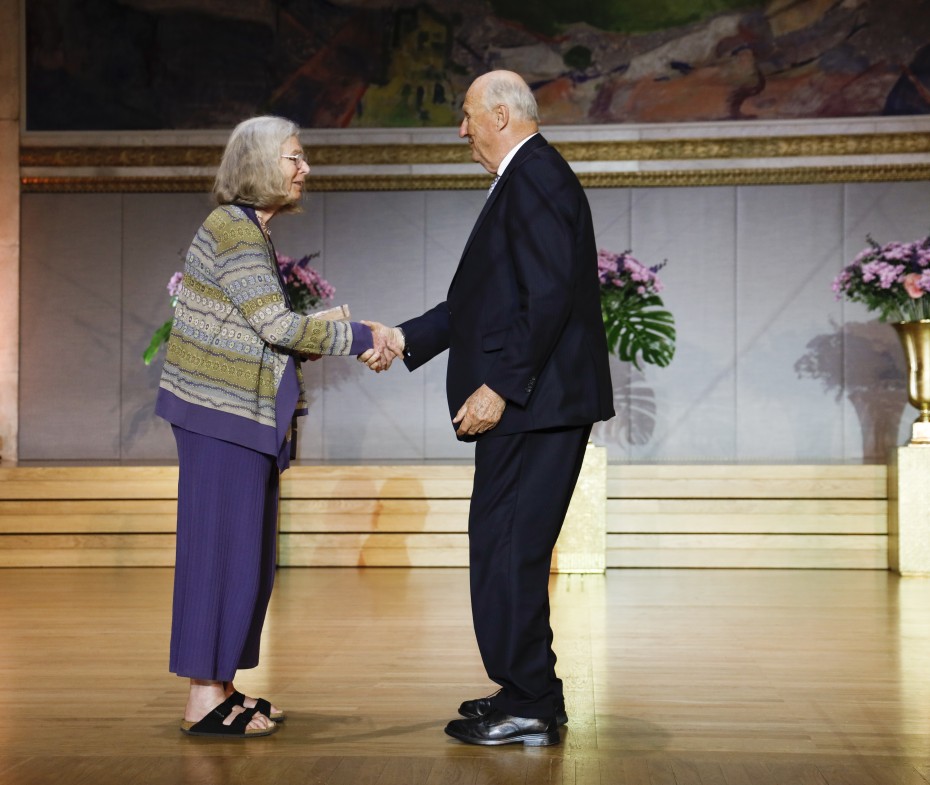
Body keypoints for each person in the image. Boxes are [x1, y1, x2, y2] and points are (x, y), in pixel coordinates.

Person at [361, 70, 614, 746]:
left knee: (512, 548)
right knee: (501, 544)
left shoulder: (535, 175)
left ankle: (531, 698)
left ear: (500, 114)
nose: (462, 128)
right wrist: (404, 337)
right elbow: (482, 305)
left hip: (536, 402)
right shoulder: (527, 176)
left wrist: (500, 384)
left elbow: (551, 294)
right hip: (533, 401)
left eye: (468, 114)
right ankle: (525, 687)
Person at [156, 116, 394, 738]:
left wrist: (325, 333)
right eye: (294, 157)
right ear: (259, 164)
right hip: (221, 416)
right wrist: (365, 333)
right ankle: (203, 699)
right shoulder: (232, 230)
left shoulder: (248, 231)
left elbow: (264, 329)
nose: (304, 167)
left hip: (237, 416)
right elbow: (277, 328)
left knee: (245, 556)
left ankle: (222, 688)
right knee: (220, 553)